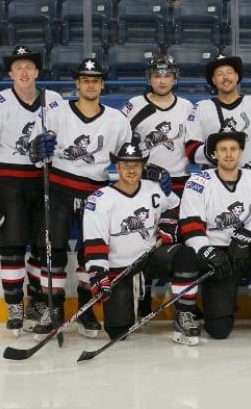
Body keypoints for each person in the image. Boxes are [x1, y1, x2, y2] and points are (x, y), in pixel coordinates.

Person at [29, 58, 132, 337]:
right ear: (77, 83)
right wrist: (39, 148)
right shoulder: (56, 113)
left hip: (96, 193)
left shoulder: (117, 120)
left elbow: (126, 162)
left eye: (95, 80)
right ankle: (54, 309)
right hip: (59, 188)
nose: (90, 84)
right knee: (52, 251)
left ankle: (86, 309)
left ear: (102, 84)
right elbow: (36, 153)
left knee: (92, 254)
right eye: (85, 80)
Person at [0, 46, 64, 336]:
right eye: (18, 68)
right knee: (11, 248)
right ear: (10, 73)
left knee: (42, 247)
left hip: (46, 181)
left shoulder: (55, 101)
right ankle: (15, 306)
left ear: (37, 72)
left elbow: (65, 140)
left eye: (29, 67)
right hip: (11, 183)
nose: (24, 73)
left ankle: (39, 302)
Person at [178, 126, 251, 344]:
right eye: (223, 149)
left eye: (233, 148)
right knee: (218, 330)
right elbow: (189, 224)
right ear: (214, 154)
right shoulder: (198, 181)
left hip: (248, 251)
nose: (229, 154)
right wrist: (208, 252)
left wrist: (247, 236)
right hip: (218, 258)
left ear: (242, 152)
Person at [82, 137, 194, 341]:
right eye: (126, 164)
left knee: (186, 255)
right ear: (117, 165)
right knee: (118, 332)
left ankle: (184, 313)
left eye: (136, 164)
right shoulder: (99, 199)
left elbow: (178, 207)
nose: (131, 170)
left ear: (143, 166)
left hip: (150, 257)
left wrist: (170, 219)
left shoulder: (155, 188)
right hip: (119, 268)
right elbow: (94, 241)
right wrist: (99, 273)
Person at [121, 53, 194, 316]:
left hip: (181, 183)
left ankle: (186, 303)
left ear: (175, 77)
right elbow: (122, 143)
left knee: (183, 242)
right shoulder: (134, 105)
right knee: (145, 237)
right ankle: (143, 294)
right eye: (157, 75)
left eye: (167, 75)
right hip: (145, 183)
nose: (162, 80)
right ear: (149, 77)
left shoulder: (187, 107)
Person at [184, 55, 251, 173]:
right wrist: (220, 158)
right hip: (214, 181)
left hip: (250, 179)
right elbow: (191, 148)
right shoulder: (201, 108)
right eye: (220, 74)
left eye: (229, 72)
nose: (226, 77)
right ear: (213, 80)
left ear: (237, 76)